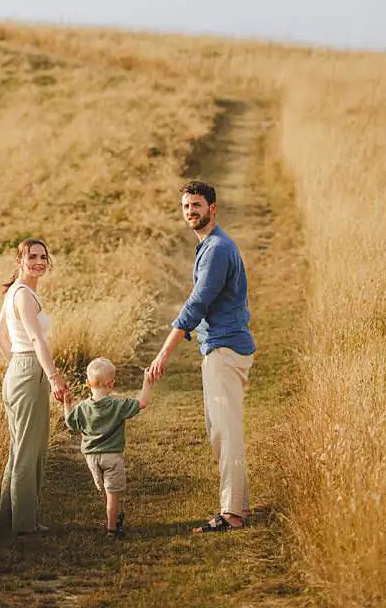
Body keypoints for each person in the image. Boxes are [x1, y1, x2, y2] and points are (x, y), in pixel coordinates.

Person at [146, 180, 257, 533]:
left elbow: (197, 304)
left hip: (225, 347)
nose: (190, 212)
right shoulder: (209, 246)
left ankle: (232, 514)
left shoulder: (218, 249)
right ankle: (239, 505)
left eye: (197, 205)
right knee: (219, 430)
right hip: (217, 347)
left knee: (226, 432)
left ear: (213, 208)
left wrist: (164, 353)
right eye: (186, 207)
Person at [0, 238, 71, 535]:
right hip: (28, 371)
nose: (39, 261)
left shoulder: (14, 292)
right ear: (20, 261)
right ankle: (25, 525)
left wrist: (15, 362)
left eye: (42, 257)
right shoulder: (23, 294)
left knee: (19, 448)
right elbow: (37, 339)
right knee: (30, 450)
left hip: (18, 369)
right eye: (32, 257)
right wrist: (53, 378)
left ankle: (8, 519)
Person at [63, 357, 153, 538]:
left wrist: (67, 404)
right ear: (111, 383)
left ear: (88, 383)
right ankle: (112, 530)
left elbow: (71, 423)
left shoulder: (82, 408)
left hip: (91, 458)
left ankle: (115, 516)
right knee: (113, 495)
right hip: (112, 457)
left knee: (105, 491)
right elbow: (142, 403)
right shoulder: (117, 406)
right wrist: (147, 382)